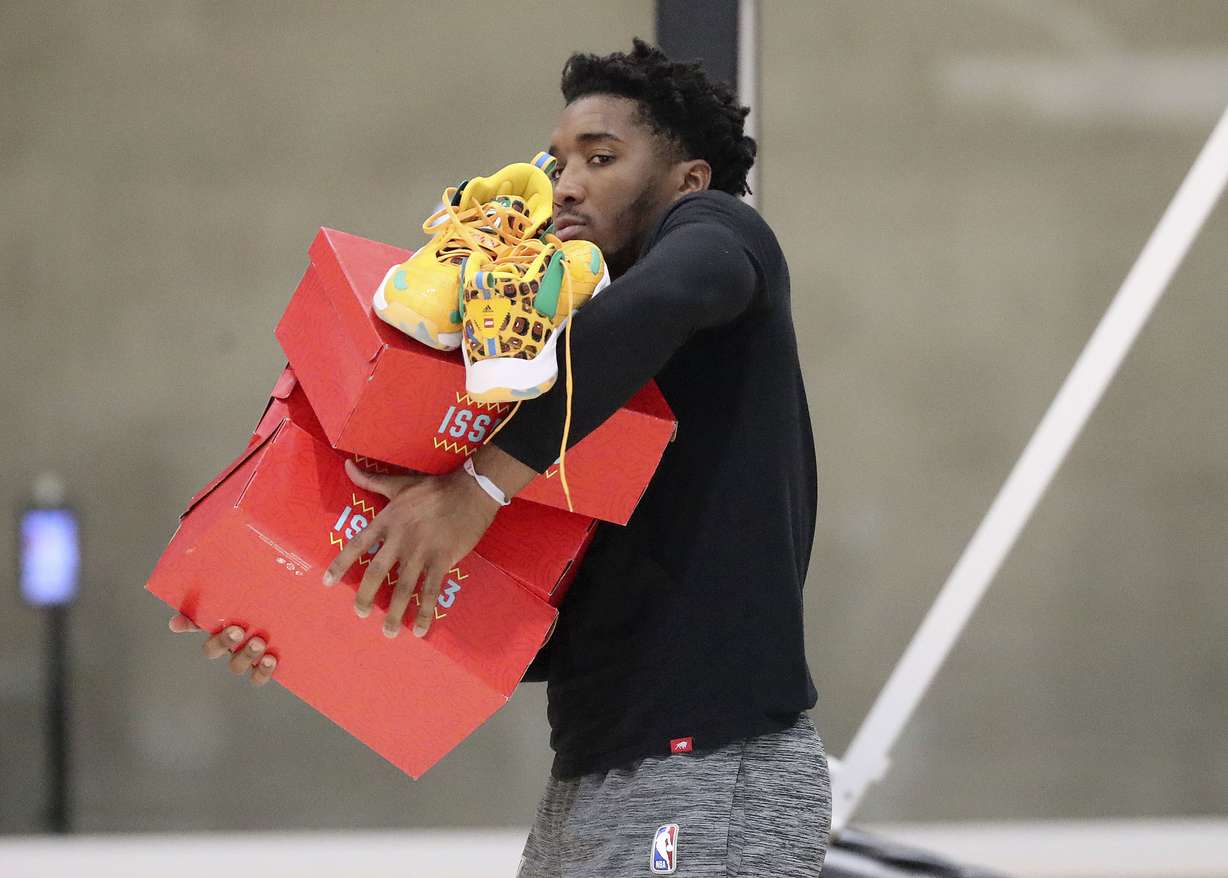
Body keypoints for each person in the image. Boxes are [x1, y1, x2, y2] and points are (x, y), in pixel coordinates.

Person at [171, 39, 831, 877]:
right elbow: (515, 617)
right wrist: (280, 607)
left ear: (686, 180)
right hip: (593, 777)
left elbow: (671, 294)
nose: (566, 184)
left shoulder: (720, 233)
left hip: (710, 764)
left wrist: (478, 484)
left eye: (601, 157)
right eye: (556, 161)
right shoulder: (571, 380)